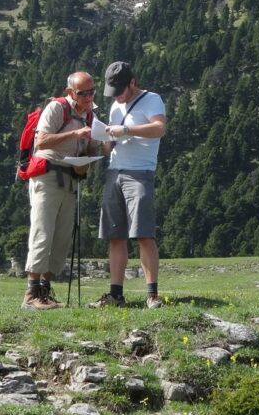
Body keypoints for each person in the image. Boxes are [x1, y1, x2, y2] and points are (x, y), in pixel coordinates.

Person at [91, 61, 167, 309]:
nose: (118, 97)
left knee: (144, 234)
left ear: (132, 83)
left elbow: (159, 128)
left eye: (121, 91)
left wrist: (126, 129)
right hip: (115, 171)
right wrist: (104, 138)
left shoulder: (152, 99)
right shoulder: (115, 105)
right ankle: (116, 294)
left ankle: (152, 294)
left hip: (140, 173)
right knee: (115, 235)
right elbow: (111, 144)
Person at [23, 71, 98, 309]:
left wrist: (99, 150)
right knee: (43, 231)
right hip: (48, 175)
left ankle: (44, 291)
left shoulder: (90, 116)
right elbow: (41, 141)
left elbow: (92, 148)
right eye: (82, 92)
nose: (88, 97)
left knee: (62, 237)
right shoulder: (57, 109)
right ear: (70, 92)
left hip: (70, 179)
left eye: (92, 91)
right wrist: (75, 133)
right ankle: (31, 294)